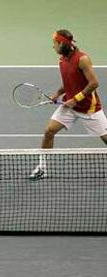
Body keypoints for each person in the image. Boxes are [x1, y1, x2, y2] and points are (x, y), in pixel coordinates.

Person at [29, 29, 107, 180]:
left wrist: (75, 99)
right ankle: (42, 168)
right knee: (49, 131)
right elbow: (68, 82)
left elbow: (94, 83)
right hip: (70, 107)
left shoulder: (82, 59)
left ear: (62, 44)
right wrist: (58, 93)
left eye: (55, 44)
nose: (53, 47)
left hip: (89, 108)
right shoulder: (62, 60)